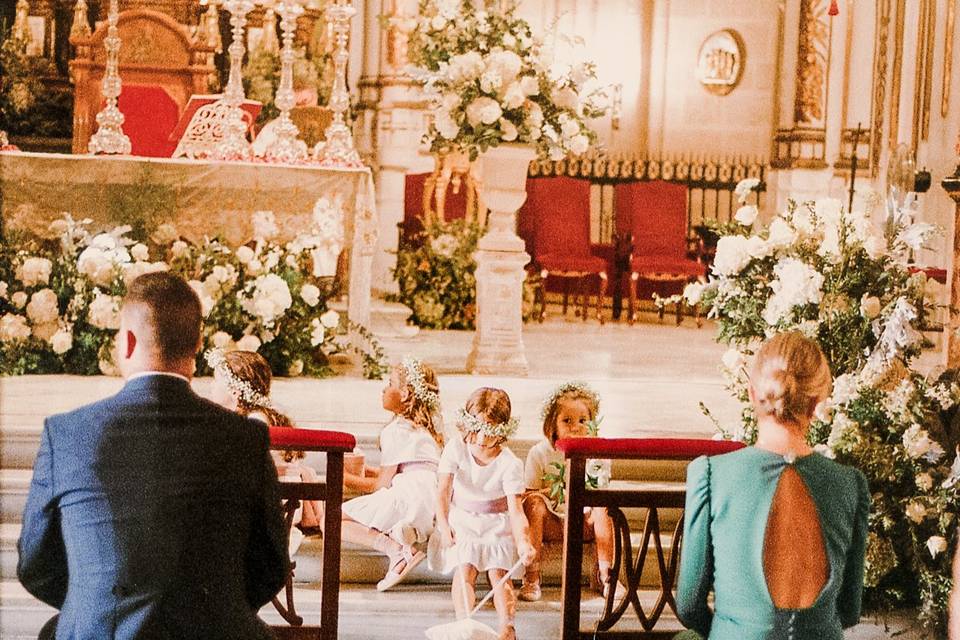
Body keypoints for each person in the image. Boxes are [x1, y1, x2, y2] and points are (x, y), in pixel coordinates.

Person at [17, 271, 288, 640]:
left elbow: (35, 564)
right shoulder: (245, 438)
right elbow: (270, 565)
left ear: (127, 341)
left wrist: (94, 601)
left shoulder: (67, 435)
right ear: (197, 345)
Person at [676, 331, 870, 640]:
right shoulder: (850, 484)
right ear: (817, 402)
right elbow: (849, 610)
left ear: (753, 393)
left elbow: (688, 606)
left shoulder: (711, 475)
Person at [429, 387, 536, 640]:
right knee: (465, 567)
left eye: (489, 430)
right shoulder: (456, 449)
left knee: (499, 573)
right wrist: (444, 527)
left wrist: (523, 542)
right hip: (463, 518)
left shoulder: (509, 463)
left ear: (502, 431)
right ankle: (463, 623)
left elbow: (516, 511)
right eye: (475, 428)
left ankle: (507, 627)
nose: (480, 438)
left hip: (496, 523)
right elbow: (443, 492)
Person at [339, 357, 444, 591]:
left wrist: (341, 478)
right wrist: (366, 471)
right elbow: (407, 471)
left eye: (390, 383)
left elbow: (381, 486)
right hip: (427, 500)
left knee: (331, 520)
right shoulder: (424, 430)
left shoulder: (395, 430)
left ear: (405, 394)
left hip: (409, 500)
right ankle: (400, 541)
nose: (384, 389)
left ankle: (396, 551)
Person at [207, 348, 322, 548]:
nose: (211, 387)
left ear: (235, 390)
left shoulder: (256, 420)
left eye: (215, 381)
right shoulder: (254, 416)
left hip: (269, 511)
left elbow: (244, 471)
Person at [520, 381, 614, 602]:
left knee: (603, 508)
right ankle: (532, 575)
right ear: (553, 425)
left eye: (583, 421)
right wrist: (555, 490)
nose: (575, 426)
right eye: (567, 421)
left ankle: (607, 575)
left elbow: (600, 489)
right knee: (534, 503)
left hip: (584, 522)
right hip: (553, 522)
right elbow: (529, 494)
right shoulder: (540, 452)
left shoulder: (598, 453)